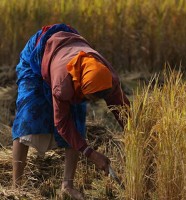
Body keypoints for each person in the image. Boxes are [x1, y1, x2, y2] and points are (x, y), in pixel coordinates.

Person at [12, 23, 130, 199]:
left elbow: (123, 111)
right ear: (80, 87)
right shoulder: (63, 85)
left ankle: (67, 185)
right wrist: (91, 154)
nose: (91, 103)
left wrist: (137, 135)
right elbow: (62, 124)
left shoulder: (108, 79)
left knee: (77, 119)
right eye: (89, 98)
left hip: (68, 50)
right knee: (27, 117)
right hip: (38, 55)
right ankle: (16, 186)